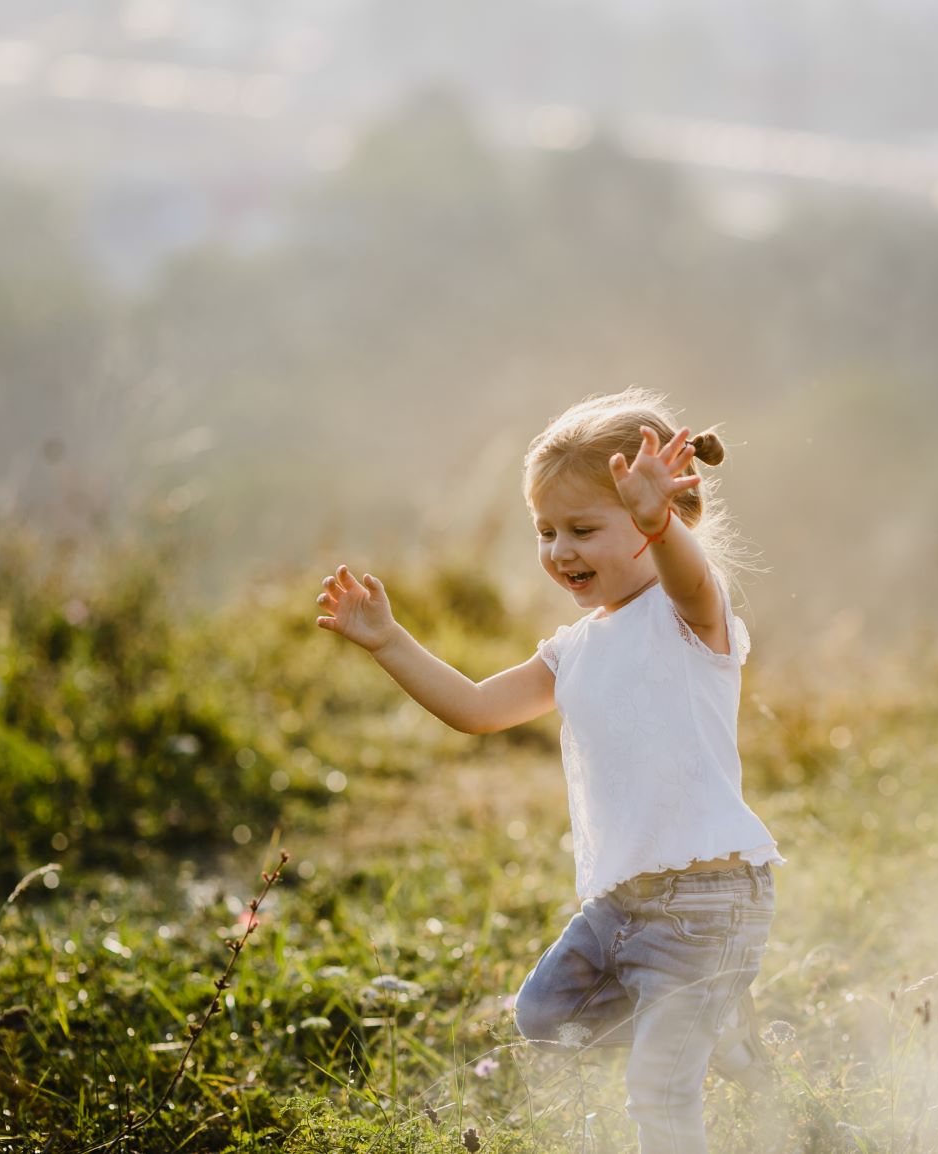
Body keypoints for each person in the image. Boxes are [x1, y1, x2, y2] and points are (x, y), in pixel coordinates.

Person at [314, 388, 785, 1153]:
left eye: (584, 529)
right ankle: (714, 1023)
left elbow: (689, 576)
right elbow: (475, 709)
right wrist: (390, 642)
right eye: (546, 531)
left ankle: (700, 1023)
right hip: (620, 903)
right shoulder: (572, 650)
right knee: (544, 1017)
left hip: (709, 900)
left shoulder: (690, 617)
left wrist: (659, 523)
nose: (561, 550)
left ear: (660, 515)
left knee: (658, 1092)